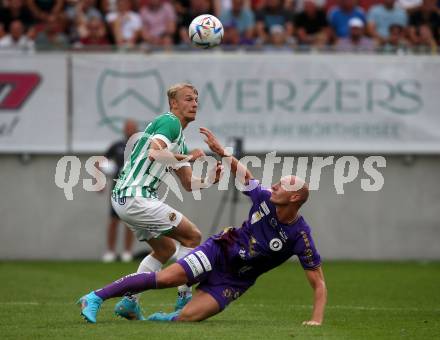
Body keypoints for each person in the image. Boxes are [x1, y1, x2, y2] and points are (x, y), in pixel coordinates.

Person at [77, 127, 327, 325]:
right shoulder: (264, 197)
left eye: (282, 186)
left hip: (235, 281)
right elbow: (246, 176)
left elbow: (318, 282)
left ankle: (164, 317)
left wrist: (316, 320)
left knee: (187, 319)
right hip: (219, 251)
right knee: (165, 278)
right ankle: (96, 297)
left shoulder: (300, 236)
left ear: (294, 198)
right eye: (277, 182)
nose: (274, 186)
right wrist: (220, 151)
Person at [95, 83, 223, 321]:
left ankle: (129, 303)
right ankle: (184, 300)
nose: (194, 103)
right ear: (174, 103)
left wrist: (209, 181)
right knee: (192, 236)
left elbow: (187, 183)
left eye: (196, 99)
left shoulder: (179, 138)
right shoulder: (170, 122)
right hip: (136, 196)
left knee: (165, 249)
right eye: (188, 99)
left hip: (125, 198)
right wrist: (190, 156)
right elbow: (154, 152)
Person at [101, 119, 138, 263]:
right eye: (126, 127)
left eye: (131, 127)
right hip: (117, 189)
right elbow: (102, 161)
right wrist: (100, 180)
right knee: (114, 220)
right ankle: (110, 251)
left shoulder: (140, 146)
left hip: (134, 189)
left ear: (135, 129)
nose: (128, 130)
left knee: (129, 221)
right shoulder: (117, 146)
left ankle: (127, 252)